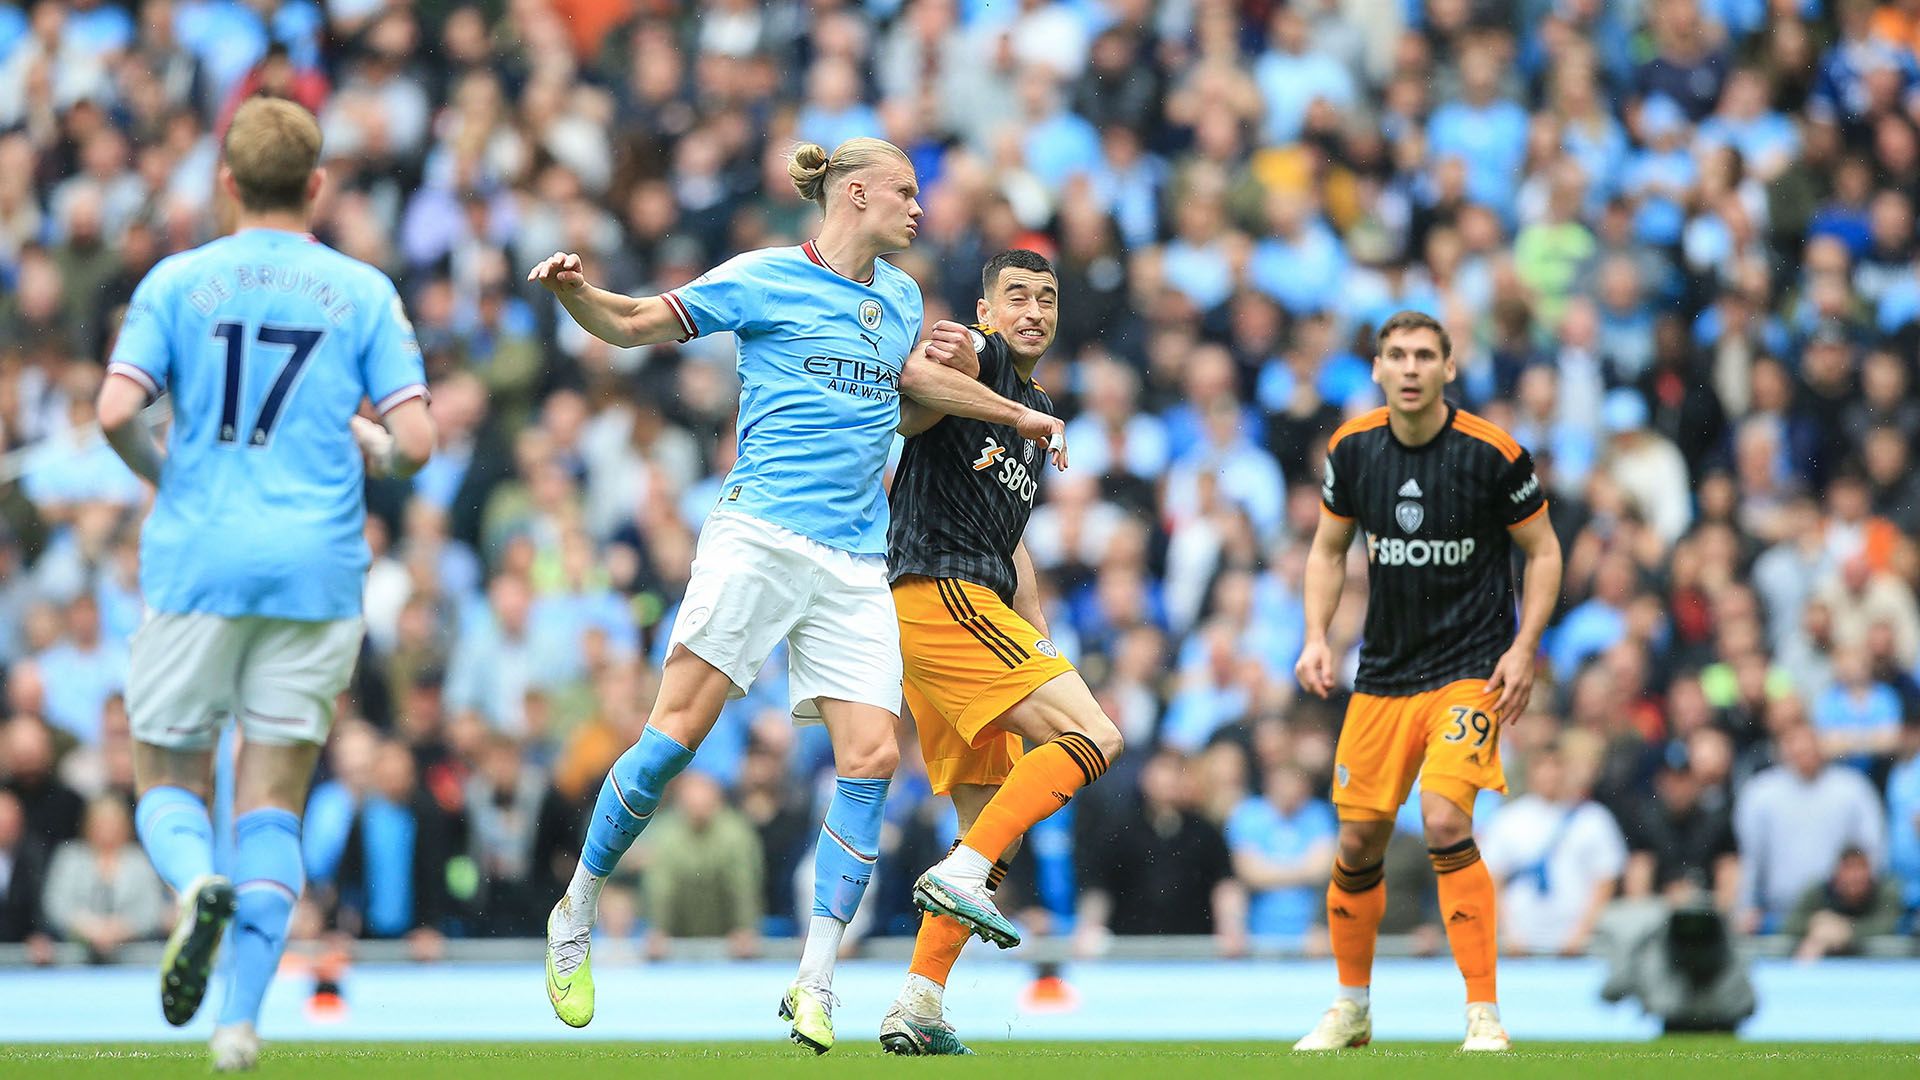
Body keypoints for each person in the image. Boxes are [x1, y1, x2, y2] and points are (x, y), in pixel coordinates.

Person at [527, 138, 1065, 1054]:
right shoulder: (765, 276)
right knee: (673, 739)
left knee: (872, 758)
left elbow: (911, 394)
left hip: (855, 559)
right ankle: (575, 908)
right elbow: (635, 323)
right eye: (904, 191)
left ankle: (814, 982)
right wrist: (577, 292)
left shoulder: (902, 300)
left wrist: (1005, 404)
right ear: (854, 194)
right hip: (761, 533)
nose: (919, 208)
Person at [95, 97, 434, 1071]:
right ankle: (238, 1027)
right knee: (273, 800)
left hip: (198, 561)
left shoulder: (176, 281)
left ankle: (195, 882)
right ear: (317, 185)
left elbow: (115, 411)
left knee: (168, 776)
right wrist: (372, 443)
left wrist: (167, 474)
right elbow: (416, 443)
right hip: (318, 573)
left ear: (226, 182)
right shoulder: (362, 289)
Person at [1292, 310, 1563, 1053]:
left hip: (1470, 671)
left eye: (1423, 356)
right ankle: (1352, 1008)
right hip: (1383, 673)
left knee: (1445, 821)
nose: (1410, 368)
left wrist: (1525, 648)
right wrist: (1315, 636)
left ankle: (1483, 1011)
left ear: (1449, 368)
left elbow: (1543, 551)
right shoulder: (1353, 449)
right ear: (1377, 369)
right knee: (1357, 841)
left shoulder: (1493, 453)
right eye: (1397, 355)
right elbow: (1328, 550)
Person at [875, 249, 1119, 1055]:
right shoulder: (978, 358)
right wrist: (1007, 407)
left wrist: (1038, 630)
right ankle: (959, 872)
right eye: (1016, 296)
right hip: (942, 594)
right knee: (1094, 736)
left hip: (966, 608)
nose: (1034, 311)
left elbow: (1011, 543)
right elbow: (912, 387)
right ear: (985, 311)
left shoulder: (1036, 402)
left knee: (993, 828)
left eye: (1047, 298)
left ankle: (918, 1002)